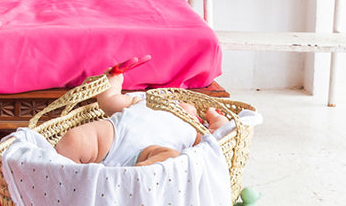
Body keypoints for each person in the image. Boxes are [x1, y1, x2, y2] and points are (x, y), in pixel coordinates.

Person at [54, 67, 229, 167]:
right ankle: (67, 176)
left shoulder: (195, 132)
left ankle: (131, 180)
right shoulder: (145, 101)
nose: (184, 103)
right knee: (75, 139)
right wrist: (112, 80)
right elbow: (110, 100)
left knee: (171, 159)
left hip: (145, 155)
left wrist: (215, 118)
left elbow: (216, 142)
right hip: (112, 139)